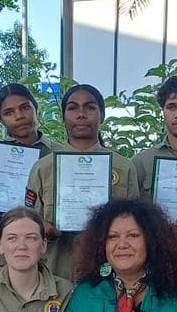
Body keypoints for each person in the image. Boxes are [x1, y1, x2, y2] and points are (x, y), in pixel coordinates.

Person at [25, 84, 140, 279]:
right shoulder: (43, 168)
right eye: (72, 108)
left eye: (90, 107)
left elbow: (137, 224)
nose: (81, 114)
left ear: (102, 116)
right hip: (56, 274)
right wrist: (42, 228)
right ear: (63, 117)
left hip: (110, 275)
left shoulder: (123, 166)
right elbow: (28, 222)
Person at [0, 84, 62, 269]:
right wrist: (4, 222)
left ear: (36, 108)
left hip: (52, 264)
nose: (19, 116)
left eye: (25, 107)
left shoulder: (62, 156)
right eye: (9, 112)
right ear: (1, 120)